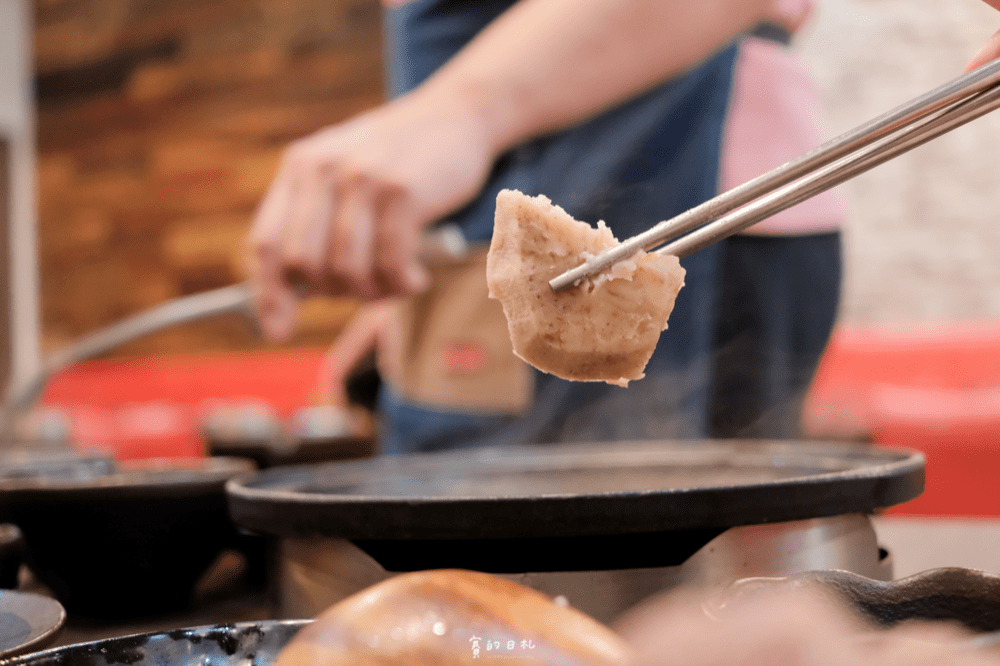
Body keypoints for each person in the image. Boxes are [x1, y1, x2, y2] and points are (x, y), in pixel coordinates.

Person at [251, 0, 1000, 454]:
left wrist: (460, 112)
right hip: (496, 225)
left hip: (682, 189)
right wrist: (434, 286)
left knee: (601, 601)